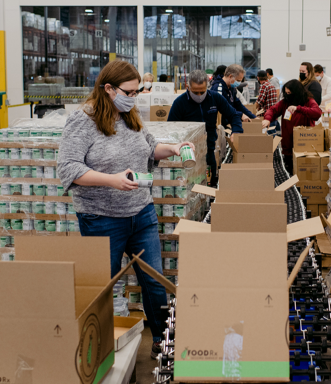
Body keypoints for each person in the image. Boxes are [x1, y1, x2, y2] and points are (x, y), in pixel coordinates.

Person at [57, 60, 194, 358]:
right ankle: (101, 345)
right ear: (108, 89)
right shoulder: (83, 120)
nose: (134, 97)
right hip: (101, 218)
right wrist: (112, 180)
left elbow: (148, 147)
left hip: (141, 213)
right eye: (129, 92)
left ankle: (162, 340)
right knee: (104, 288)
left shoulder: (129, 114)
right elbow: (68, 168)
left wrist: (169, 149)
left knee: (155, 282)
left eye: (137, 92)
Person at [167, 70, 244, 186]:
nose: (199, 96)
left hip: (209, 148)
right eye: (195, 92)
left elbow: (234, 114)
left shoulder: (214, 98)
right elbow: (171, 127)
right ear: (188, 87)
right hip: (187, 152)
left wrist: (236, 131)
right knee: (189, 185)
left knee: (210, 182)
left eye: (202, 92)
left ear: (207, 87)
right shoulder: (179, 103)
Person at [262, 80, 322, 174]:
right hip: (288, 146)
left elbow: (317, 113)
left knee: (304, 173)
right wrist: (267, 119)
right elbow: (273, 110)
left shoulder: (308, 101)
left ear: (296, 92)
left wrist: (299, 108)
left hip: (305, 146)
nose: (287, 95)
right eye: (286, 93)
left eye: (289, 93)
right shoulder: (285, 102)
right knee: (289, 171)